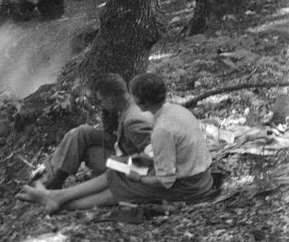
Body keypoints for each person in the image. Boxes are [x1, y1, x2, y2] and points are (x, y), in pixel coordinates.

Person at [19, 72, 213, 213]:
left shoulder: (158, 128)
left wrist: (140, 178)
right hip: (197, 179)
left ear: (141, 101)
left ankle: (59, 201)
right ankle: (57, 196)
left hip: (189, 188)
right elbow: (164, 154)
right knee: (119, 168)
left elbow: (166, 180)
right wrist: (138, 161)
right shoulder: (176, 110)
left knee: (122, 182)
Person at [29, 73, 153, 189]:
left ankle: (55, 181)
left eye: (101, 101)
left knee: (86, 152)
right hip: (123, 152)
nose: (100, 104)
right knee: (81, 132)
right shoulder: (126, 106)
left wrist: (118, 165)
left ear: (111, 100)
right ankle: (54, 177)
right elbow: (112, 135)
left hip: (133, 169)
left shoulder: (134, 119)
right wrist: (108, 114)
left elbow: (151, 161)